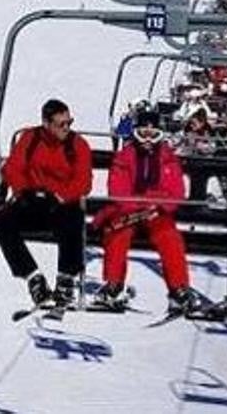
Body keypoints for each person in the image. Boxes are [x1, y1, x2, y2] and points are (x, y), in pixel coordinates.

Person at [0, 99, 93, 307]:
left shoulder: (77, 145)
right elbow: (12, 168)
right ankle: (33, 277)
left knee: (73, 220)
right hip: (34, 203)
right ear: (46, 124)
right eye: (61, 124)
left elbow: (83, 181)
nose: (67, 128)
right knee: (1, 222)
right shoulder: (30, 138)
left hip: (62, 205)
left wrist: (60, 195)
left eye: (69, 122)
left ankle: (66, 279)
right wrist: (24, 191)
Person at [93, 111, 195, 313]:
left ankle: (178, 289)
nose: (148, 139)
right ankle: (113, 285)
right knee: (117, 234)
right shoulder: (125, 157)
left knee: (169, 237)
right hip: (128, 211)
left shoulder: (167, 159)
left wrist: (156, 206)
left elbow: (176, 192)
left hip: (157, 213)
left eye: (153, 134)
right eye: (143, 133)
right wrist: (140, 205)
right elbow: (118, 190)